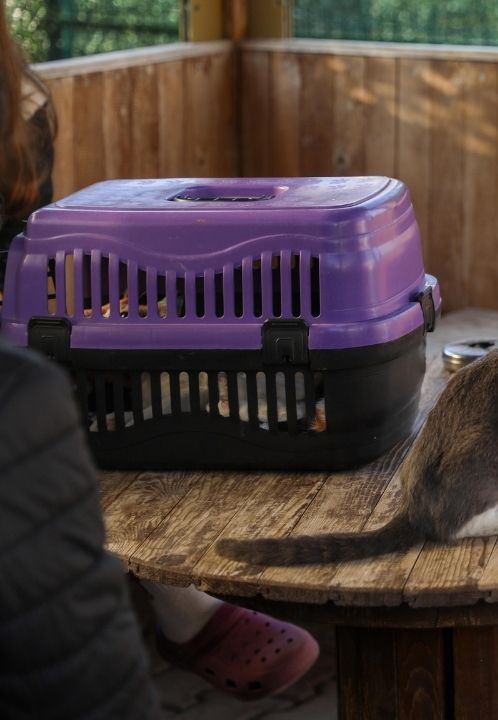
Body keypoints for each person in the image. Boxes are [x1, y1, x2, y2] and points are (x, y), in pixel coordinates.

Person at [0, 6, 318, 713]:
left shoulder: (21, 104)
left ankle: (180, 599)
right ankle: (182, 607)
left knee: (87, 383)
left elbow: (23, 242)